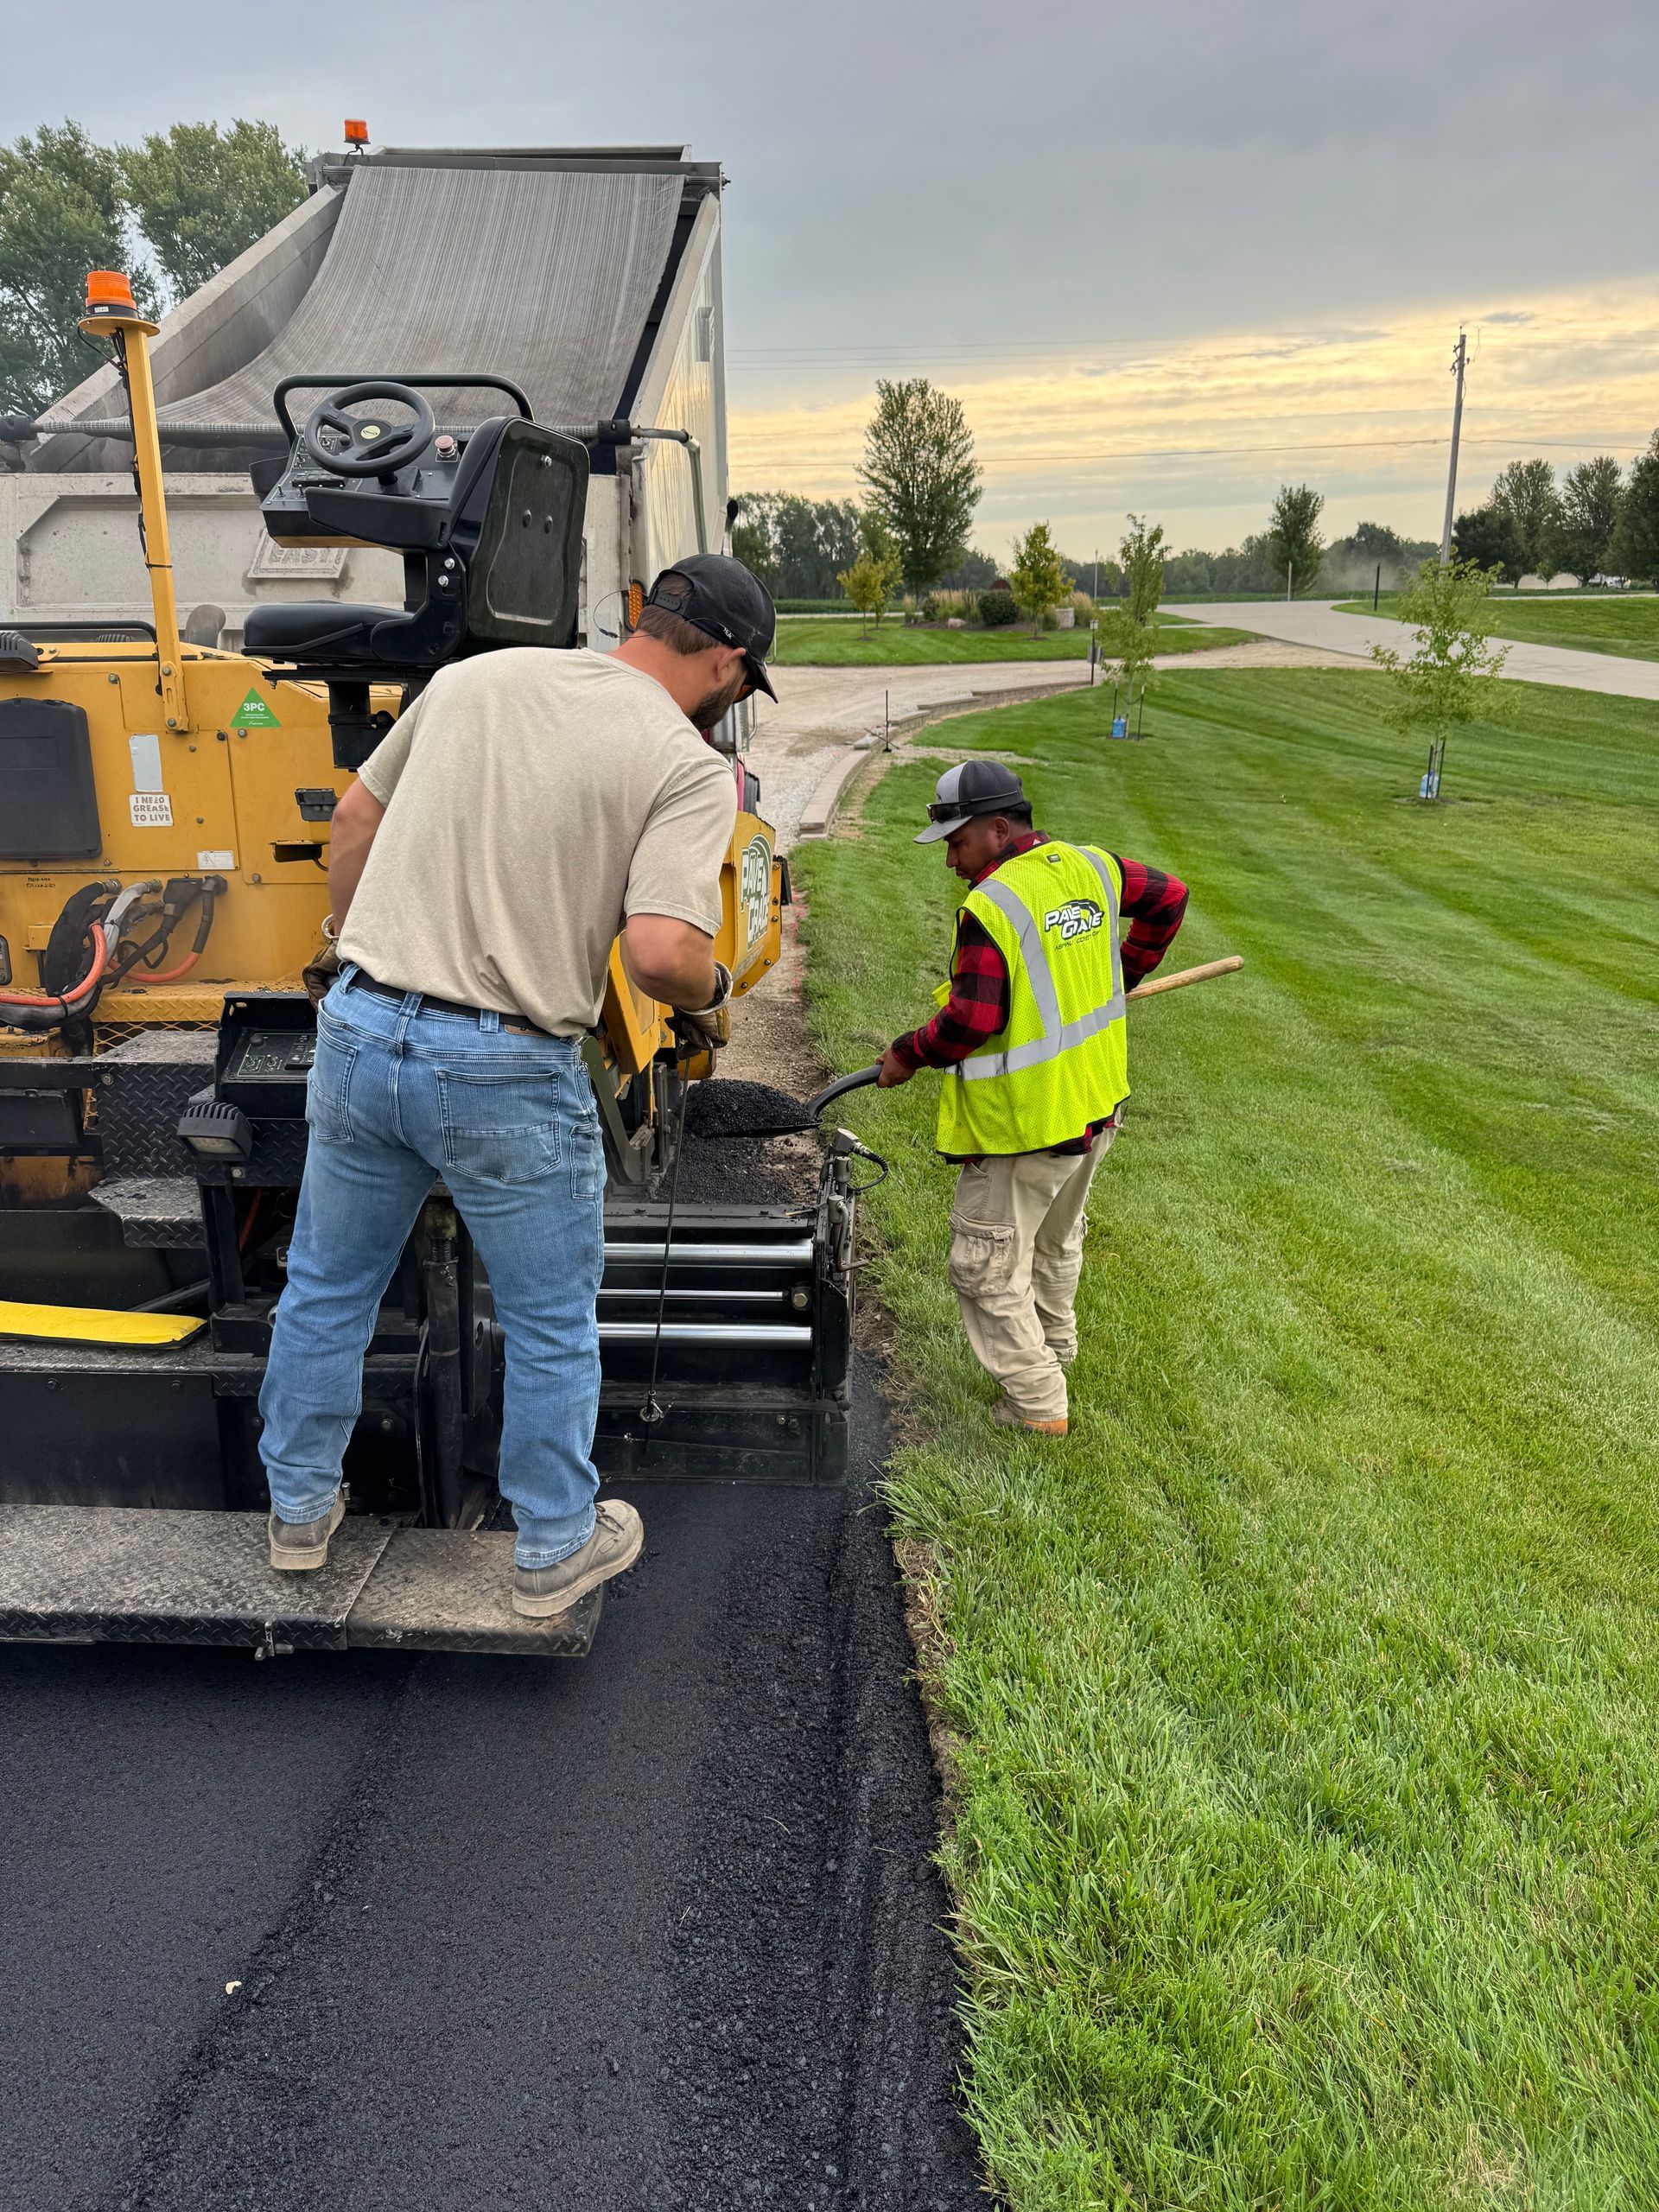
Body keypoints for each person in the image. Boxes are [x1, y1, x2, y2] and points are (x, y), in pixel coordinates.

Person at [258, 554, 778, 1615]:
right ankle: (551, 1548)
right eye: (740, 683)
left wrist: (350, 953)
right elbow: (655, 953)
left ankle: (300, 1515)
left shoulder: (474, 679)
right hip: (502, 1064)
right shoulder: (683, 764)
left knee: (324, 1287)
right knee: (549, 1322)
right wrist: (719, 983)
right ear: (727, 662)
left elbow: (352, 824)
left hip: (360, 1028)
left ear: (644, 619)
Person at [876, 760, 1187, 1436]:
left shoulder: (992, 906)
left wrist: (906, 1053)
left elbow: (971, 1022)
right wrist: (1121, 971)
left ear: (996, 829)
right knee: (1053, 1240)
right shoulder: (1090, 867)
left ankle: (1039, 1403)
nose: (953, 861)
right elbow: (1170, 895)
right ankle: (1056, 1352)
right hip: (1094, 1105)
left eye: (957, 843)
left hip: (1027, 1124)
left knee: (983, 1266)